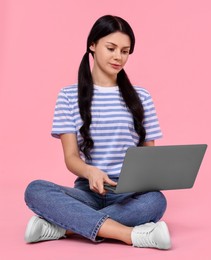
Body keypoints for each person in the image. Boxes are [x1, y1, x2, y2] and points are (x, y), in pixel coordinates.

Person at [24, 15, 171, 250]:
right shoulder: (68, 96)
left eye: (125, 51)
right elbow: (71, 157)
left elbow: (149, 158)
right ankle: (131, 234)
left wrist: (154, 175)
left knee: (155, 200)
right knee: (35, 190)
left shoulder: (141, 97)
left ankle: (63, 227)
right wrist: (90, 171)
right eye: (111, 48)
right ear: (92, 45)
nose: (118, 57)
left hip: (127, 193)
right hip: (88, 191)